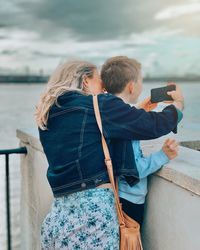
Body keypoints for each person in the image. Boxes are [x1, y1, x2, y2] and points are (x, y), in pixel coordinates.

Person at [35, 59, 184, 249]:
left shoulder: (50, 112)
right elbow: (153, 125)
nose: (104, 87)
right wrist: (177, 106)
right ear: (86, 80)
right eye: (99, 80)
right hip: (92, 220)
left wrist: (134, 110)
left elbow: (91, 132)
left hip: (59, 218)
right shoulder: (98, 104)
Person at [101, 56, 182, 226]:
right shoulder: (123, 123)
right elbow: (133, 170)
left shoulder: (107, 112)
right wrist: (163, 155)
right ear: (131, 86)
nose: (142, 86)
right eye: (140, 81)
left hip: (113, 194)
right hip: (128, 199)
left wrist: (137, 110)